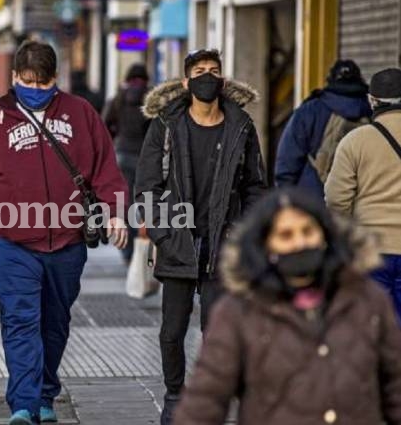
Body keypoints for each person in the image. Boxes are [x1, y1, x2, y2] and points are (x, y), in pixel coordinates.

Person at [0, 40, 129, 425]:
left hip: (67, 242)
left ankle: (45, 392)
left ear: (55, 78)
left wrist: (115, 212)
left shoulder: (80, 113)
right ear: (14, 77)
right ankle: (24, 405)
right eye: (27, 80)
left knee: (55, 322)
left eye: (42, 80)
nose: (34, 87)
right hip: (12, 242)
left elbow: (106, 168)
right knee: (20, 320)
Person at [173, 188, 401, 425]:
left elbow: (396, 384)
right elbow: (204, 401)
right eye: (285, 235)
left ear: (324, 235)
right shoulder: (238, 312)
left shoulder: (366, 300)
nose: (299, 242)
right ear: (266, 246)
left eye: (308, 231)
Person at [134, 48, 268, 425]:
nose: (207, 77)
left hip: (222, 246)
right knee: (172, 333)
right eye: (199, 71)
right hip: (178, 244)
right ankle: (175, 395)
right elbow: (146, 186)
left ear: (222, 80)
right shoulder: (165, 126)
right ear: (185, 81)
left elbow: (256, 185)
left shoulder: (240, 126)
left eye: (213, 71)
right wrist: (163, 233)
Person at [325, 67, 401, 321]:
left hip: (370, 249)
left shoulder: (354, 141)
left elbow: (337, 199)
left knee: (372, 326)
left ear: (372, 101)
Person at [275, 59, 371, 197]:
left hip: (314, 201)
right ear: (359, 80)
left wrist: (287, 200)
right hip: (359, 202)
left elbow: (287, 162)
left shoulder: (311, 110)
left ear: (330, 80)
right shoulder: (372, 111)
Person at [103, 63, 152, 264]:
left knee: (126, 203)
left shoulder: (117, 99)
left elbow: (104, 125)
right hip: (144, 157)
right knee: (145, 204)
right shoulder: (150, 100)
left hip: (122, 155)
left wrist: (116, 140)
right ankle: (146, 247)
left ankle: (127, 251)